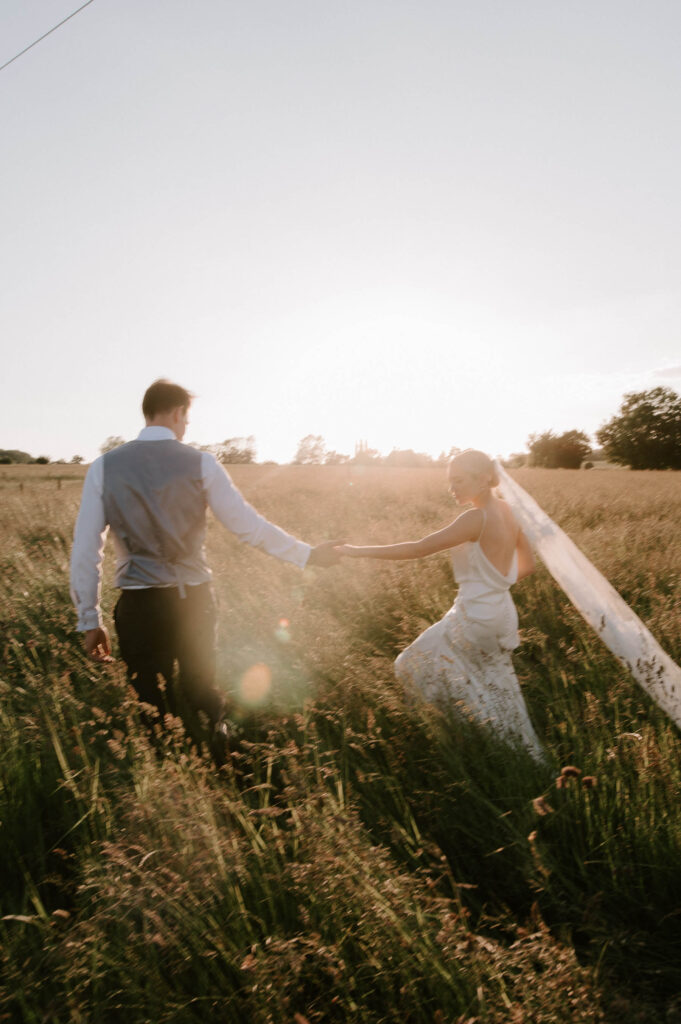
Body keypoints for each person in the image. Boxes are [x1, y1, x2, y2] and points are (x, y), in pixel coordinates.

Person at [70, 379, 341, 752]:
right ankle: (220, 757)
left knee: (150, 699)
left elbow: (86, 549)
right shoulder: (200, 463)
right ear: (178, 412)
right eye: (186, 419)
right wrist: (307, 554)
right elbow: (249, 527)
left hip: (137, 604)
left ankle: (169, 775)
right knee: (200, 688)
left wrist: (90, 619)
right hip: (193, 601)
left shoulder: (104, 467)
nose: (185, 428)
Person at [338, 449, 545, 760]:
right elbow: (527, 565)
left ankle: (460, 736)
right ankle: (523, 753)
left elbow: (417, 549)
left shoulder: (476, 517)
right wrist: (494, 584)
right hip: (501, 613)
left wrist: (354, 551)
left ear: (484, 478)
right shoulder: (509, 512)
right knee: (499, 686)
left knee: (409, 665)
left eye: (458, 480)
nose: (452, 489)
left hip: (474, 615)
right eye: (450, 482)